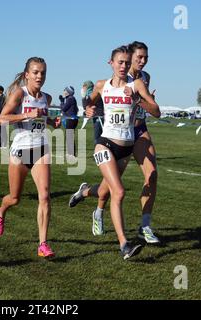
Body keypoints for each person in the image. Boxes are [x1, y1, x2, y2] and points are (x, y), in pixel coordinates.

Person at [69, 41, 161, 244]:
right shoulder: (111, 81)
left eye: (146, 58)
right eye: (139, 58)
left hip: (138, 130)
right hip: (114, 137)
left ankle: (144, 226)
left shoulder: (143, 79)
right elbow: (96, 101)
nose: (142, 61)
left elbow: (154, 110)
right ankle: (92, 203)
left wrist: (140, 100)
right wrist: (90, 109)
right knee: (107, 188)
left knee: (152, 175)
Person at [0, 57, 61, 258]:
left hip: (41, 149)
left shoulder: (46, 98)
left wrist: (51, 122)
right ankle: (1, 211)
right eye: (36, 72)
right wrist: (26, 115)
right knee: (14, 198)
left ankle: (43, 244)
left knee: (45, 196)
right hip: (20, 152)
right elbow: (2, 118)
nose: (40, 76)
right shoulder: (19, 94)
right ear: (27, 75)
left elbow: (42, 117)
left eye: (43, 73)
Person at [81, 81, 104, 146]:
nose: (82, 88)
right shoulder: (92, 94)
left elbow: (86, 106)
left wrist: (83, 97)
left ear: (87, 87)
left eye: (84, 87)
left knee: (97, 139)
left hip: (99, 118)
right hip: (98, 118)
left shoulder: (93, 94)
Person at [59, 85, 79, 159]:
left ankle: (72, 154)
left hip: (71, 119)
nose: (63, 91)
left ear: (68, 92)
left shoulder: (70, 99)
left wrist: (61, 102)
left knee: (69, 136)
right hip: (72, 119)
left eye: (65, 90)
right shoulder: (71, 98)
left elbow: (63, 109)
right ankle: (71, 153)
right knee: (69, 136)